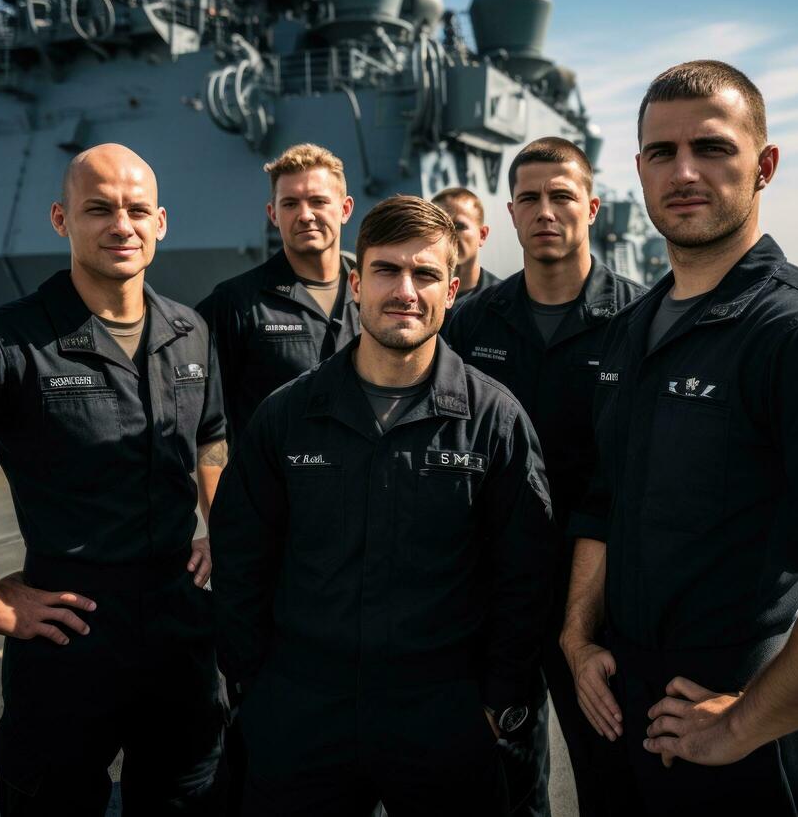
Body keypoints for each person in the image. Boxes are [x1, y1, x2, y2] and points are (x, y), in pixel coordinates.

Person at [560, 60, 798, 817]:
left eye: (711, 148)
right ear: (640, 172)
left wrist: (746, 722)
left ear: (765, 165)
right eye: (660, 153)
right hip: (620, 715)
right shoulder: (628, 333)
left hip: (743, 731)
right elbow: (602, 498)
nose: (683, 172)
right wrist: (578, 641)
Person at [210, 195, 557, 817]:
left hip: (443, 711)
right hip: (302, 707)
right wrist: (255, 687)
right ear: (355, 284)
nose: (405, 290)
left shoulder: (494, 421)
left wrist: (496, 698)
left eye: (424, 274)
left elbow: (525, 575)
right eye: (386, 271)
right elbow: (241, 555)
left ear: (451, 290)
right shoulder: (287, 416)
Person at [0, 144, 228, 815]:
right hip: (65, 637)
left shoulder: (191, 333)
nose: (121, 224)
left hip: (182, 638)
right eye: (99, 209)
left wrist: (219, 525)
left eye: (136, 209)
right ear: (61, 219)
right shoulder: (2, 345)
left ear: (161, 222)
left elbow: (211, 439)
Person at [445, 137, 643, 816]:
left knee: (611, 773)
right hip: (494, 586)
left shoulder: (640, 323)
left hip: (604, 595)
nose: (546, 211)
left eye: (562, 196)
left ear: (591, 206)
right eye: (530, 198)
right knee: (500, 775)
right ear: (509, 213)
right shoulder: (471, 323)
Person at [197, 143, 360, 443]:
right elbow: (204, 419)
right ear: (273, 213)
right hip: (270, 486)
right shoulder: (235, 303)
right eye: (290, 204)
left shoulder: (372, 299)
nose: (305, 215)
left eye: (318, 201)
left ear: (345, 209)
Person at [431, 186, 501, 309]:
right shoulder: (419, 295)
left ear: (482, 235)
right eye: (440, 226)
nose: (449, 234)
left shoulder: (502, 298)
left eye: (459, 226)